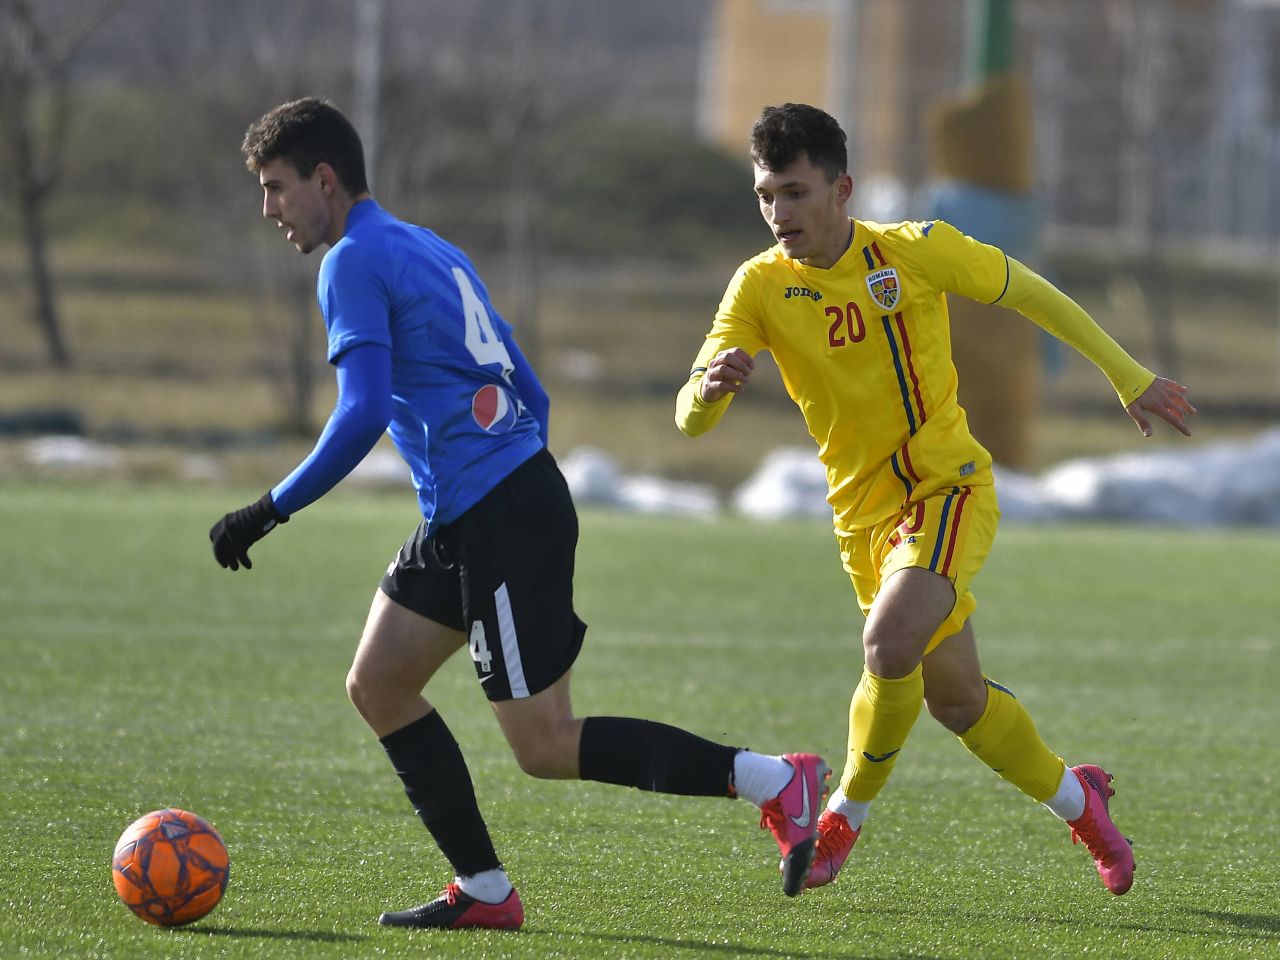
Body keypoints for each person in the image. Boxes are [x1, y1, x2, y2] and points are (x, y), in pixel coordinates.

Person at [209, 97, 830, 930]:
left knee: (544, 744)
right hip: (481, 510)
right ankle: (485, 890)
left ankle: (772, 781)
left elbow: (359, 413)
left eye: (277, 188)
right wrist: (501, 477)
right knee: (380, 684)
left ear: (325, 179)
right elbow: (531, 392)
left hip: (498, 513)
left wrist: (268, 508)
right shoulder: (428, 246)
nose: (269, 210)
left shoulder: (350, 260)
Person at [675, 103, 1195, 897]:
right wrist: (709, 390)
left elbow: (1033, 294)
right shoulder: (758, 287)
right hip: (862, 526)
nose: (779, 214)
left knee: (888, 647)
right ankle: (1079, 801)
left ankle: (843, 813)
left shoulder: (914, 253)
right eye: (766, 196)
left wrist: (1129, 376)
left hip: (946, 489)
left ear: (841, 188)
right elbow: (690, 419)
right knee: (956, 702)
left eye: (795, 192)